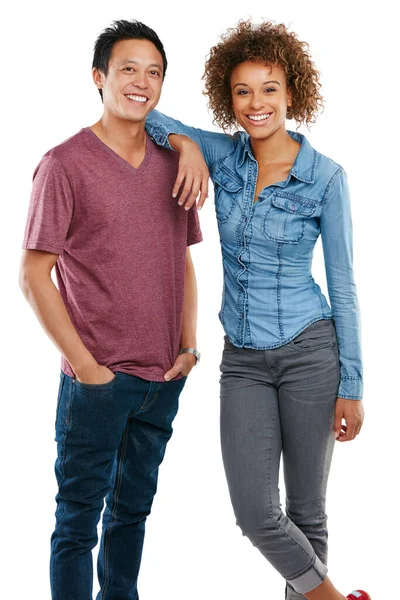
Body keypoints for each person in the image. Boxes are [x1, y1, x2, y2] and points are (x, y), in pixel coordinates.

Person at [146, 20, 370, 600]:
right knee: (254, 512)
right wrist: (189, 145)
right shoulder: (225, 158)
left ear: (292, 92)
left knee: (306, 512)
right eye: (243, 91)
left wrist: (353, 384)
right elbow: (147, 117)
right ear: (229, 98)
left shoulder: (325, 178)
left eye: (269, 88)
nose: (257, 103)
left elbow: (343, 286)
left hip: (311, 352)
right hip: (242, 360)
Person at [19, 19, 202, 600]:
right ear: (99, 78)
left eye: (154, 73)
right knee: (76, 526)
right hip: (96, 382)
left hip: (162, 379)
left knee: (130, 518)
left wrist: (188, 345)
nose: (141, 82)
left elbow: (184, 259)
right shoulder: (63, 164)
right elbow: (32, 275)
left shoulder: (174, 163)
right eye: (128, 69)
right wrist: (86, 367)